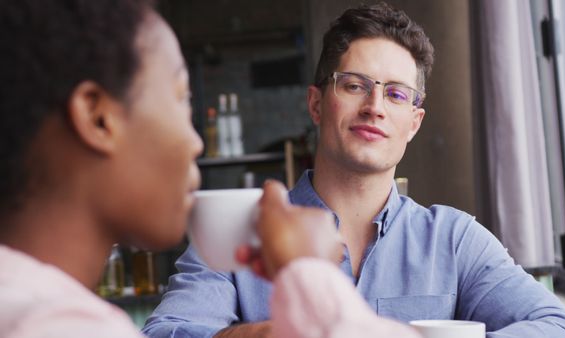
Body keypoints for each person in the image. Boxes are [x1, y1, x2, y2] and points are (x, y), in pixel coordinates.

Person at [143, 2, 565, 338]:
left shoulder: (454, 240)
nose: (375, 107)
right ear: (317, 104)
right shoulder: (240, 233)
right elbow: (167, 334)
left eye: (396, 94)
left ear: (413, 123)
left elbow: (564, 330)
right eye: (355, 85)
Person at [0, 1, 343, 337]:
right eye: (181, 98)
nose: (196, 142)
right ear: (98, 117)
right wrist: (311, 277)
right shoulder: (64, 327)